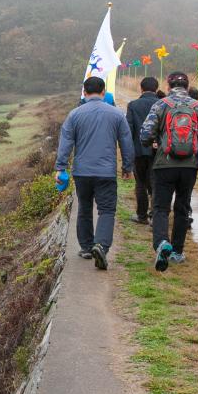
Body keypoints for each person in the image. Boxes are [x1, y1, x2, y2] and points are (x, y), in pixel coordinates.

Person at [55, 76, 136, 271]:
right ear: (103, 92)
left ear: (84, 92)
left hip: (82, 171)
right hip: (106, 172)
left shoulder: (74, 114)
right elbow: (126, 142)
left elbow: (65, 142)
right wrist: (127, 167)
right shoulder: (116, 114)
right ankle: (101, 245)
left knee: (84, 206)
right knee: (107, 210)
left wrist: (60, 167)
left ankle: (86, 247)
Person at [139, 71, 198, 271]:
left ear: (169, 85)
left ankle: (162, 243)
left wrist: (154, 141)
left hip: (164, 163)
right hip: (189, 166)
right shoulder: (197, 107)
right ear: (188, 86)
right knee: (183, 207)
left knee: (161, 207)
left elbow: (145, 134)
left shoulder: (161, 105)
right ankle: (177, 252)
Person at [125, 77, 161, 225]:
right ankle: (154, 215)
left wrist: (128, 151)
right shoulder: (162, 104)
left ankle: (141, 215)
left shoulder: (133, 105)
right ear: (156, 88)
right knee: (155, 182)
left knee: (140, 182)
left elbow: (129, 129)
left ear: (141, 88)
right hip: (157, 150)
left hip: (138, 150)